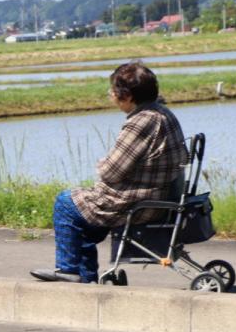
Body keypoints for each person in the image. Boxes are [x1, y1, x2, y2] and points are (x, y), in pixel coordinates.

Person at [30, 62, 187, 284]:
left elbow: (110, 171)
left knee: (65, 202)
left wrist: (101, 163)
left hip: (135, 204)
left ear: (128, 96)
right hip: (157, 197)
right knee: (82, 219)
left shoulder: (141, 122)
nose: (110, 94)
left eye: (113, 90)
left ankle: (67, 269)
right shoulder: (162, 112)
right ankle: (85, 279)